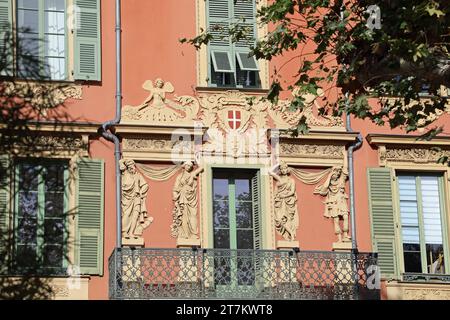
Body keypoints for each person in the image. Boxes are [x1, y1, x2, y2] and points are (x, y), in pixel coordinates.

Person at [120, 159, 153, 240]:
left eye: (132, 165)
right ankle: (124, 232)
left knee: (135, 216)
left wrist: (141, 192)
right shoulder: (125, 173)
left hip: (136, 198)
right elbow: (120, 163)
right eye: (130, 166)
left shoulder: (138, 176)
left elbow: (145, 185)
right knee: (127, 214)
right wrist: (124, 160)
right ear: (127, 167)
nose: (132, 167)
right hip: (127, 199)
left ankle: (131, 232)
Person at [171, 161, 204, 239]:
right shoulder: (180, 176)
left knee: (192, 215)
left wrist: (202, 157)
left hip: (191, 197)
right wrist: (175, 199)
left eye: (190, 166)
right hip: (182, 196)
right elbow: (175, 188)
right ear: (184, 166)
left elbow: (202, 167)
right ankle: (185, 234)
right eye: (187, 165)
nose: (189, 167)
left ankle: (193, 234)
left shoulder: (192, 174)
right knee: (184, 216)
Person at [269, 161, 299, 241]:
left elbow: (292, 191)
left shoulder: (291, 180)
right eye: (281, 169)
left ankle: (291, 235)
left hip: (288, 201)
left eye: (285, 168)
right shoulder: (279, 178)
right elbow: (270, 172)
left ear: (287, 169)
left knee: (287, 219)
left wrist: (284, 195)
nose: (283, 170)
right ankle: (290, 234)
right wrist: (277, 163)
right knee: (279, 219)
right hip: (279, 201)